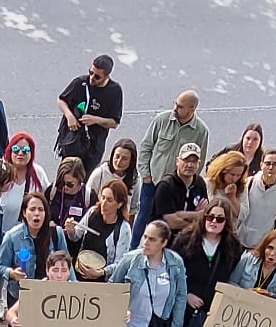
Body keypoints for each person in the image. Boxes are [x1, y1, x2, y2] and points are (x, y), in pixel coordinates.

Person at [0, 189, 67, 327]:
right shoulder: (12, 236)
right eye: (32, 209)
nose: (37, 214)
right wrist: (12, 273)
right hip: (19, 293)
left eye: (41, 209)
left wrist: (72, 287)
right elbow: (0, 266)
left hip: (47, 293)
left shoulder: (56, 234)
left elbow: (67, 263)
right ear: (24, 213)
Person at [170, 197, 241, 327]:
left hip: (205, 301)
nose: (214, 222)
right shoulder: (186, 239)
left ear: (227, 222)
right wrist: (186, 294)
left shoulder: (233, 247)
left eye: (220, 218)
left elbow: (230, 275)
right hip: (182, 295)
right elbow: (173, 270)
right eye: (210, 216)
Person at [134, 91, 210, 232]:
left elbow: (199, 161)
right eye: (175, 103)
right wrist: (146, 176)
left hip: (175, 189)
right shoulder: (161, 120)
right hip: (153, 182)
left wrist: (187, 183)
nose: (175, 108)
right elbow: (146, 147)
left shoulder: (201, 131)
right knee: (144, 217)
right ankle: (134, 245)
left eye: (180, 106)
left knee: (169, 224)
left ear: (192, 109)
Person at [54, 54, 123, 172]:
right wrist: (69, 116)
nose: (91, 78)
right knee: (67, 174)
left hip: (94, 145)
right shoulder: (80, 83)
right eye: (91, 72)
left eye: (97, 77)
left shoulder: (115, 91)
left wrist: (96, 120)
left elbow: (114, 122)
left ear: (107, 76)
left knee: (87, 177)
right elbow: (61, 100)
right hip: (73, 139)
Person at [238, 148, 276, 249]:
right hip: (241, 238)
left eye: (275, 164)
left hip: (263, 242)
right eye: (267, 163)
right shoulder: (249, 183)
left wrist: (274, 236)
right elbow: (240, 209)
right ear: (261, 164)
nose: (271, 167)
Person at [78, 178, 134, 267]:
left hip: (102, 273)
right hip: (81, 266)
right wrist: (70, 230)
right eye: (103, 198)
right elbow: (76, 236)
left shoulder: (123, 229)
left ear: (120, 204)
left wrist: (102, 272)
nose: (103, 203)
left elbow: (120, 264)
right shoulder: (92, 212)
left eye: (109, 200)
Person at [0, 132, 47, 227]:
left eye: (25, 150)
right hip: (1, 231)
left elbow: (47, 197)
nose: (20, 153)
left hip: (27, 232)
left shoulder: (38, 172)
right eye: (16, 149)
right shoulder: (0, 172)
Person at [153, 143, 209, 221]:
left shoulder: (200, 183)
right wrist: (197, 215)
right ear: (177, 161)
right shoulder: (166, 185)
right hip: (165, 229)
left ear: (198, 164)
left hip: (193, 229)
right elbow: (171, 221)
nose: (189, 165)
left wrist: (181, 215)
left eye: (194, 161)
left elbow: (205, 213)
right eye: (186, 160)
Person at [87, 138, 141, 207]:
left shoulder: (135, 178)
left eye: (124, 159)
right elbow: (86, 198)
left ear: (131, 161)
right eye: (117, 156)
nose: (119, 161)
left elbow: (134, 207)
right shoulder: (99, 173)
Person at [51, 157, 92, 241]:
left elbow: (92, 226)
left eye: (70, 184)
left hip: (76, 245)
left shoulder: (88, 196)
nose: (64, 187)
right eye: (61, 182)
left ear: (80, 181)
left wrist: (74, 232)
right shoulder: (52, 191)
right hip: (53, 241)